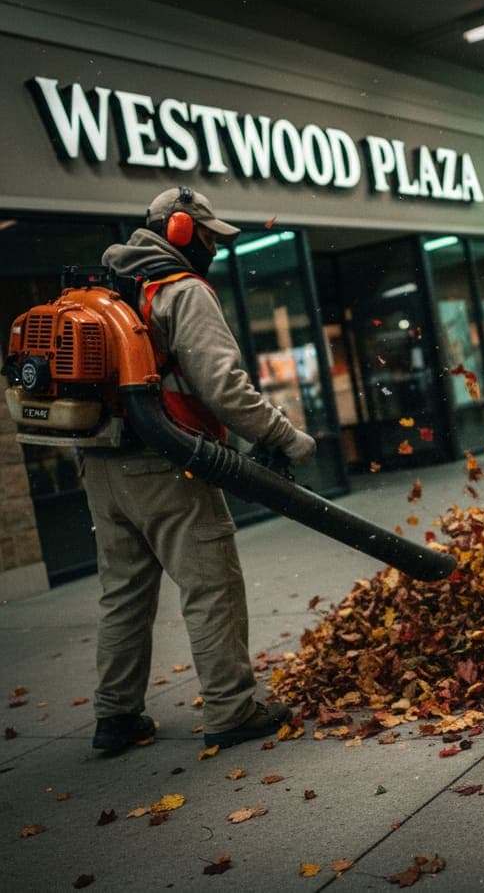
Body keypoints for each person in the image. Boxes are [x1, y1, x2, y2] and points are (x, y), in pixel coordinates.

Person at [85, 187, 315, 754]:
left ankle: (116, 716)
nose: (213, 246)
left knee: (123, 594)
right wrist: (286, 437)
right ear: (181, 230)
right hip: (167, 464)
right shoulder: (181, 290)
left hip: (101, 465)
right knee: (212, 587)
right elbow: (224, 389)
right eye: (209, 235)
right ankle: (232, 710)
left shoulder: (108, 289)